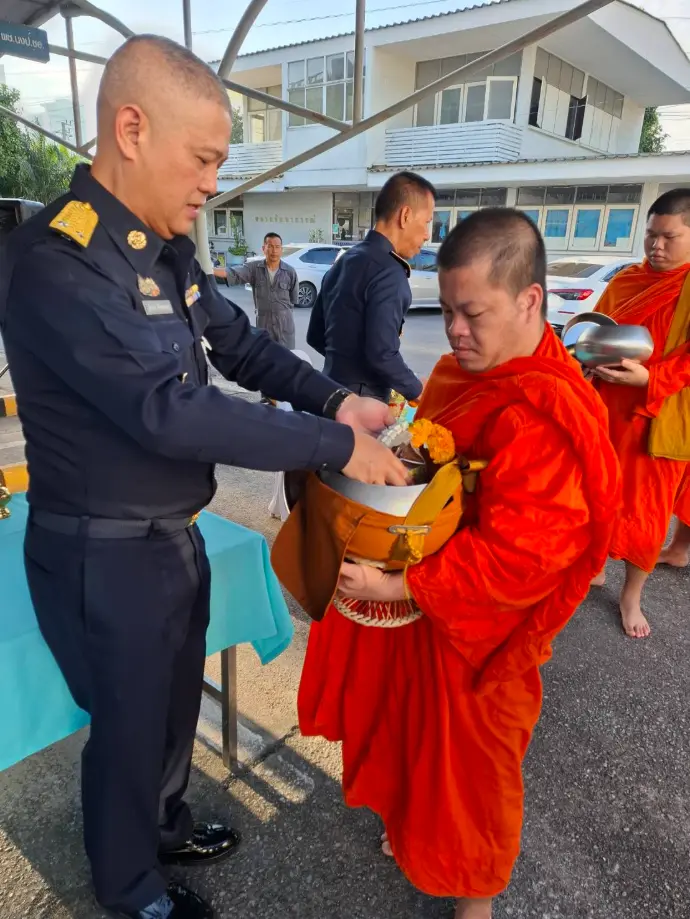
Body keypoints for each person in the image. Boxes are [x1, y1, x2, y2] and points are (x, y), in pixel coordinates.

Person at [0, 36, 407, 919]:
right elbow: (169, 411)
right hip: (102, 552)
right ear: (131, 129)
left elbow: (242, 346)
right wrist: (332, 447)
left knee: (174, 701)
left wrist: (338, 400)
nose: (212, 183)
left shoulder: (166, 249)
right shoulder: (55, 264)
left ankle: (164, 823)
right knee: (128, 725)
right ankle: (130, 887)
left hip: (172, 536)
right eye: (204, 159)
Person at [298, 210, 621, 919]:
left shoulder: (544, 409)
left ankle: (476, 899)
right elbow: (430, 455)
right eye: (445, 311)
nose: (454, 331)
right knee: (404, 735)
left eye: (472, 313)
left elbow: (521, 558)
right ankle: (408, 827)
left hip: (478, 637)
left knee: (472, 776)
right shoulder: (459, 371)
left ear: (530, 300)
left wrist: (400, 584)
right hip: (422, 609)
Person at [590, 189, 690, 638]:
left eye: (669, 237)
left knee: (646, 512)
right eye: (651, 235)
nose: (656, 246)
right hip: (607, 409)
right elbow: (596, 329)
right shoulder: (628, 279)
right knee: (597, 493)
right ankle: (594, 566)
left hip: (658, 416)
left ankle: (631, 595)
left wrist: (651, 379)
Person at [307, 170, 434, 404]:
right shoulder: (389, 271)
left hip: (330, 393)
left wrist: (348, 367)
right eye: (427, 222)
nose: (427, 235)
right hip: (364, 405)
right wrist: (418, 390)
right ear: (405, 215)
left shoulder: (344, 261)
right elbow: (382, 354)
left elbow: (315, 336)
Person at [225, 231, 297, 351]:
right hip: (264, 324)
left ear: (281, 249)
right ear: (264, 248)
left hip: (285, 326)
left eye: (277, 247)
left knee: (287, 357)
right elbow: (234, 273)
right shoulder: (254, 268)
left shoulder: (290, 272)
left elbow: (293, 299)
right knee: (265, 356)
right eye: (270, 246)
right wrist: (209, 270)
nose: (274, 251)